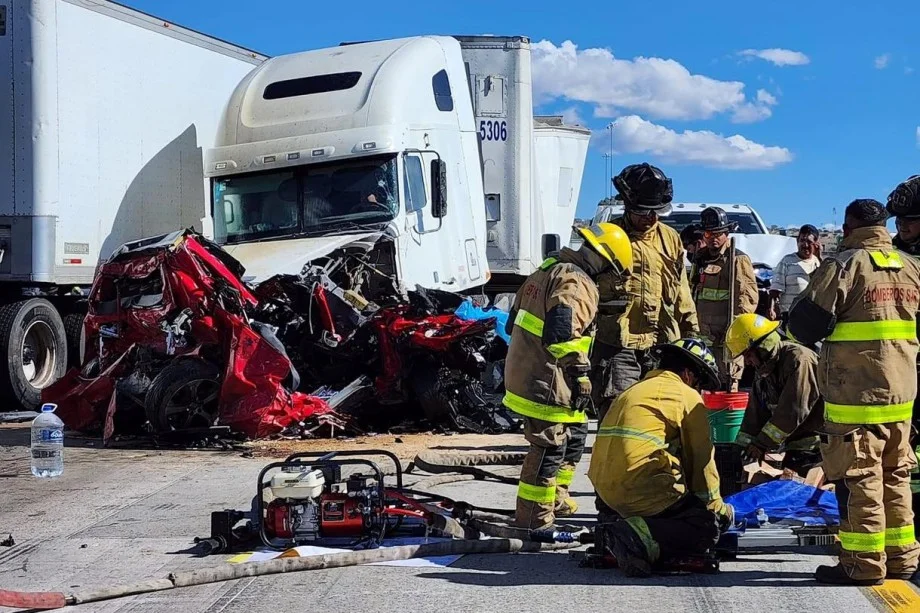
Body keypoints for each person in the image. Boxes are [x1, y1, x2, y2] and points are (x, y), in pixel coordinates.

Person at [787, 198, 920, 585]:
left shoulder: (844, 266)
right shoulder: (912, 268)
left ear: (848, 228)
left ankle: (862, 565)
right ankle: (902, 558)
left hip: (856, 399)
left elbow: (804, 328)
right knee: (895, 476)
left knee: (860, 479)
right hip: (902, 397)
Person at [504, 222, 633, 530]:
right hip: (547, 378)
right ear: (604, 262)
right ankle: (534, 519)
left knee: (575, 435)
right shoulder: (577, 283)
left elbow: (511, 323)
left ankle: (556, 498)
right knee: (549, 447)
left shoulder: (548, 269)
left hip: (531, 370)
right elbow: (562, 334)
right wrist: (582, 374)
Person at [587, 338, 733, 577]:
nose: (698, 390)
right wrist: (716, 509)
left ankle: (617, 526)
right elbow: (701, 460)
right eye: (699, 383)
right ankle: (633, 535)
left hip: (606, 493)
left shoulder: (633, 390)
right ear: (687, 374)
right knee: (703, 527)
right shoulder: (685, 395)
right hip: (639, 487)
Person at [591, 163, 699, 419]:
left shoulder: (670, 238)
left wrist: (692, 331)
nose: (651, 217)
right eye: (643, 211)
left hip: (661, 342)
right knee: (620, 410)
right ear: (627, 205)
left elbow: (681, 288)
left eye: (656, 211)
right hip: (618, 342)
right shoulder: (608, 237)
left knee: (660, 413)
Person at [725, 314, 823, 476]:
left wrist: (761, 444)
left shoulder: (799, 360)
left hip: (816, 448)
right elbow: (754, 414)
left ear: (763, 347)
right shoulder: (763, 370)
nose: (747, 362)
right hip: (794, 447)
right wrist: (740, 447)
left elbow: (794, 410)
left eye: (748, 355)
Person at [690, 207, 759, 391]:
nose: (713, 238)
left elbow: (747, 299)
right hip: (703, 339)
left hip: (725, 341)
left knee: (725, 388)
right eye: (708, 233)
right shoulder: (700, 260)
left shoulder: (737, 259)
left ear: (726, 233)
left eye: (718, 233)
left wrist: (734, 332)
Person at [770, 224, 822, 321]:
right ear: (797, 241)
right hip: (789, 314)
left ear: (816, 244)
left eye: (809, 242)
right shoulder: (787, 261)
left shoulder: (818, 263)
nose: (805, 245)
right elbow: (775, 289)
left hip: (811, 316)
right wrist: (772, 308)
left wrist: (819, 256)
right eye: (802, 240)